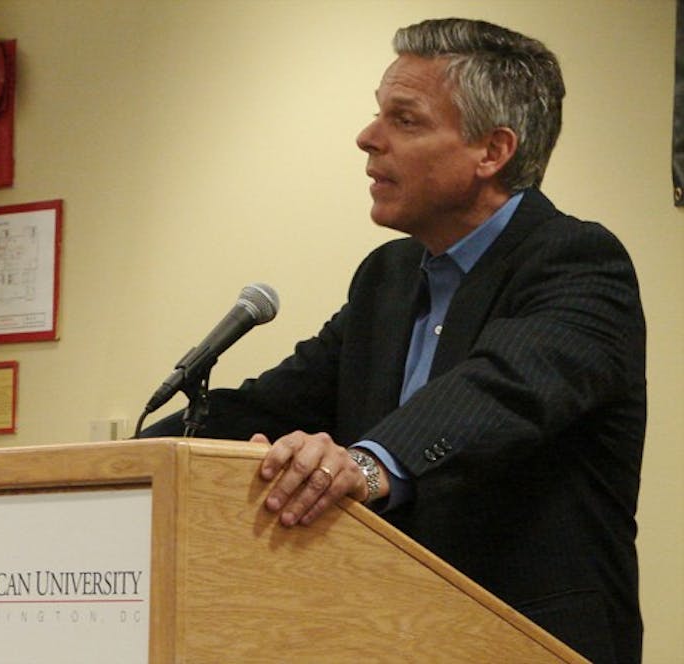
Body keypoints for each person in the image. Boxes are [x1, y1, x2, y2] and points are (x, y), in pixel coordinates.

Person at [141, 17, 646, 664]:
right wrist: (128, 463)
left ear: (491, 152)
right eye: (378, 115)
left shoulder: (578, 261)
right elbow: (274, 404)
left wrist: (364, 465)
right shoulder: (387, 277)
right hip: (390, 637)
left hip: (533, 641)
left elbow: (499, 391)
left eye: (404, 121)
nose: (367, 138)